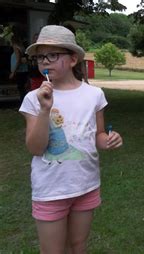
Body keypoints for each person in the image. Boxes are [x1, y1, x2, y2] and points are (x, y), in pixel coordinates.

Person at [18, 25, 123, 253]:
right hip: (50, 190)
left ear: (73, 59)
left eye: (52, 55)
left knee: (78, 246)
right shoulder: (33, 99)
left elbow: (98, 136)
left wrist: (109, 140)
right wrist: (45, 110)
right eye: (40, 57)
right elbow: (35, 148)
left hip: (85, 185)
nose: (44, 62)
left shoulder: (94, 95)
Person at [9, 35, 29, 102]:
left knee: (21, 88)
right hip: (23, 70)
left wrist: (13, 72)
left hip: (20, 71)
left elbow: (18, 60)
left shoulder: (15, 47)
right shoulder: (21, 47)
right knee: (23, 87)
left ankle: (22, 103)